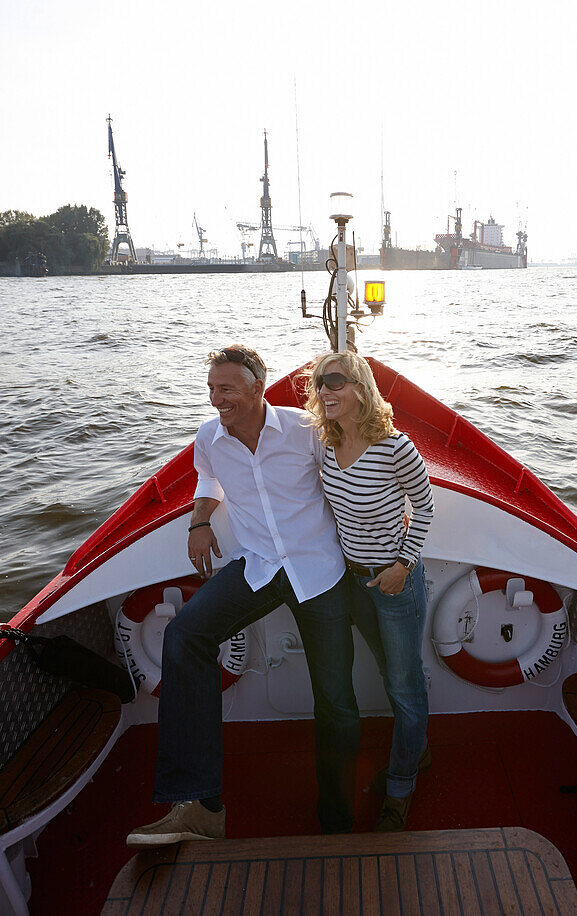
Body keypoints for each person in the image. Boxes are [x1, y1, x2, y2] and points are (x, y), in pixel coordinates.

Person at [127, 345, 360, 846]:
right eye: (212, 389)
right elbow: (208, 476)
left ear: (258, 387)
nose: (217, 399)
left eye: (227, 388)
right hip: (257, 566)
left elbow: (349, 469)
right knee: (185, 635)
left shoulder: (304, 429)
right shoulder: (210, 437)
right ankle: (202, 806)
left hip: (318, 570)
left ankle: (338, 821)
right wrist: (201, 519)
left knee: (336, 700)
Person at [305, 350, 435, 832]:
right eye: (319, 384)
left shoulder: (394, 446)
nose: (325, 391)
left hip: (394, 581)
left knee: (403, 686)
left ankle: (401, 787)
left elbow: (425, 507)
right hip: (351, 581)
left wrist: (404, 564)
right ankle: (416, 752)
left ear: (360, 387)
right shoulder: (324, 442)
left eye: (335, 382)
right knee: (389, 672)